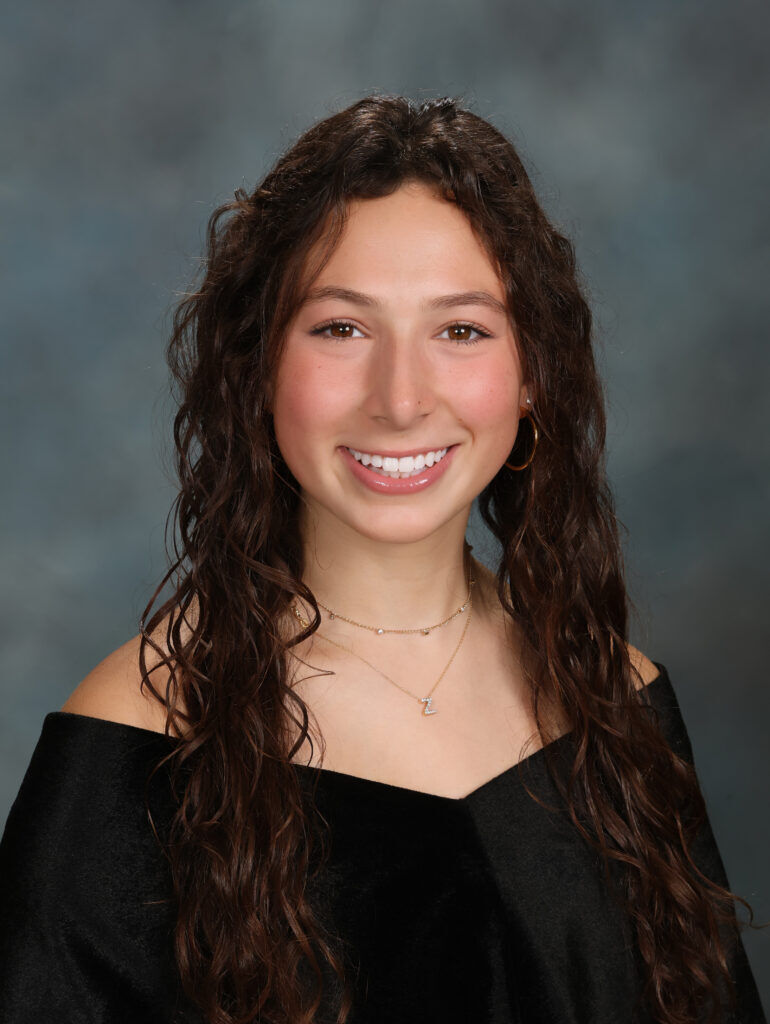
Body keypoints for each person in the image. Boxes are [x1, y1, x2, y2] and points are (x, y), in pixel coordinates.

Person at [0, 94, 766, 1024]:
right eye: (342, 328)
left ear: (533, 374)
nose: (400, 400)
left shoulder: (612, 698)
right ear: (257, 365)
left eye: (461, 330)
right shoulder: (140, 739)